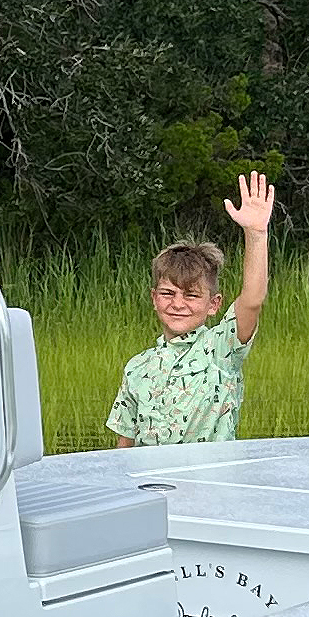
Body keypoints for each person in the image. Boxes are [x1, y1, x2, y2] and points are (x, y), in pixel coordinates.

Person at [109, 171, 274, 446]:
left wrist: (256, 234)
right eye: (167, 293)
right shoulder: (137, 368)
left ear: (214, 304)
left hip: (211, 485)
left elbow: (252, 299)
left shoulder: (221, 348)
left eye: (191, 295)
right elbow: (123, 448)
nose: (177, 304)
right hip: (152, 487)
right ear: (154, 298)